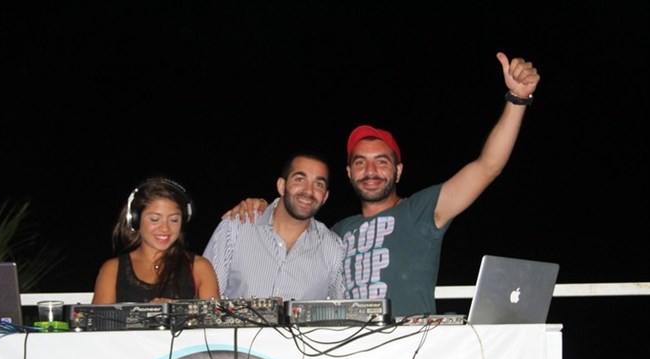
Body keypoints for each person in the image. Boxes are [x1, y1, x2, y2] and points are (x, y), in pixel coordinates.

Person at [224, 52, 540, 316]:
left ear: (398, 171)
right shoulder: (336, 232)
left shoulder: (422, 211)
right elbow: (289, 230)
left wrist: (517, 99)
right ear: (349, 173)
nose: (370, 170)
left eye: (382, 161)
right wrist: (262, 205)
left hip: (407, 350)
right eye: (360, 162)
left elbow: (488, 166)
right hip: (347, 350)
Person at [203, 151, 346, 301]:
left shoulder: (333, 249)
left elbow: (341, 310)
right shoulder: (235, 228)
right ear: (281, 186)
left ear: (325, 197)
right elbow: (205, 300)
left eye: (318, 184)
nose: (309, 191)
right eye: (299, 179)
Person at [92, 176, 220, 304]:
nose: (165, 228)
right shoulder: (112, 269)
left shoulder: (200, 267)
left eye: (174, 220)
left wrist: (176, 310)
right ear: (135, 219)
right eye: (154, 219)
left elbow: (216, 316)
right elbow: (99, 317)